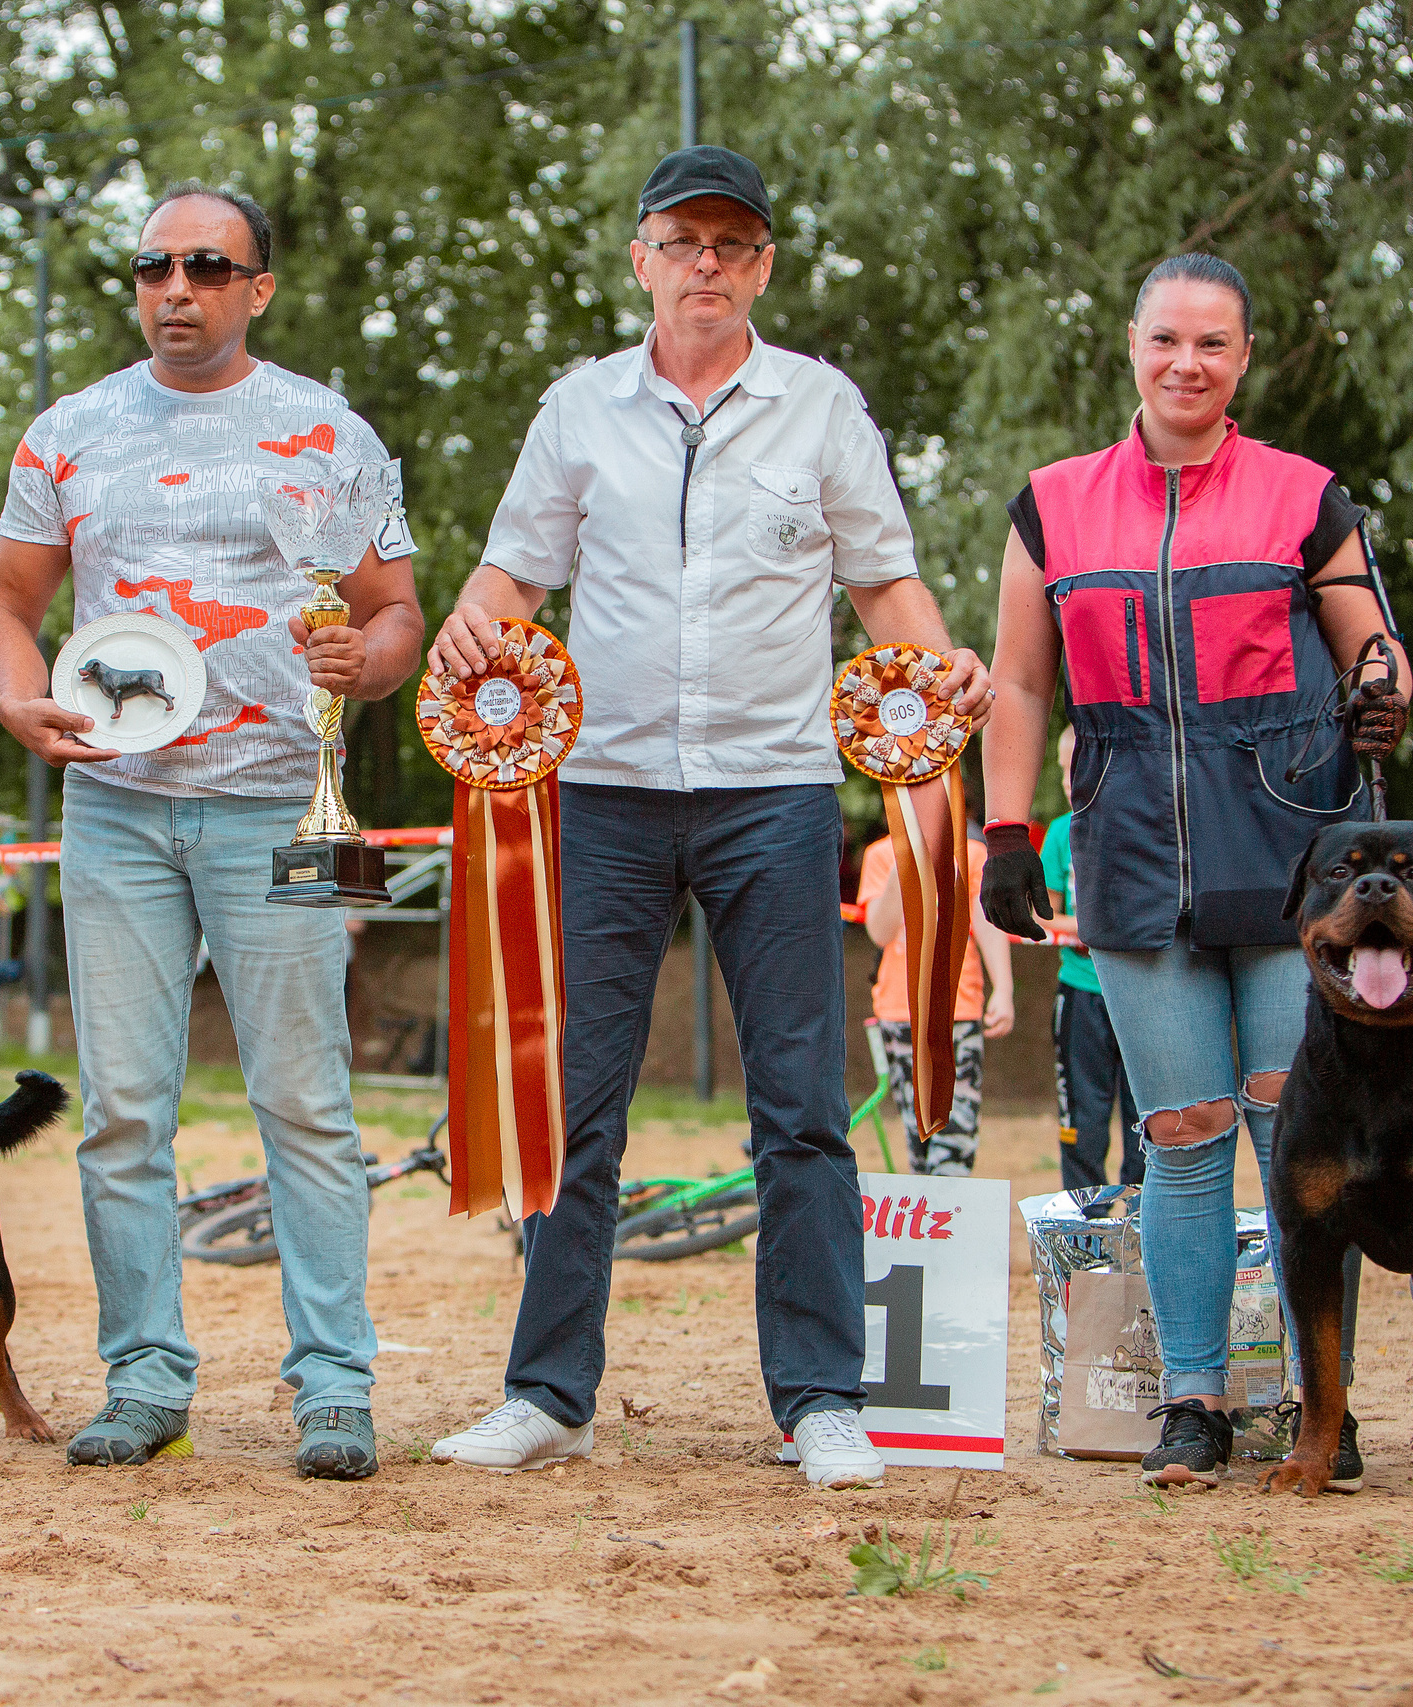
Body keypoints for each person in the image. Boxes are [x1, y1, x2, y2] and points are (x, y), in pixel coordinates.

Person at [424, 146, 991, 1492]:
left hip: (777, 793)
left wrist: (947, 671)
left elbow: (889, 588)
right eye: (683, 242)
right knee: (579, 1103)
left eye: (733, 246)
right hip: (604, 793)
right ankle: (547, 1390)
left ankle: (820, 1399)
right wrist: (463, 632)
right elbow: (514, 573)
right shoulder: (578, 408)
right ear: (641, 258)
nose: (707, 266)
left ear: (765, 267)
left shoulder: (823, 407)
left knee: (798, 1103)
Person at [0, 181, 421, 1483]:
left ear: (258, 287)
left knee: (306, 1102)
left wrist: (367, 657)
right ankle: (145, 1375)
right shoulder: (71, 431)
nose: (180, 287)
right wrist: (16, 694)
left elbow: (394, 612)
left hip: (282, 800)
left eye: (211, 267)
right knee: (121, 1110)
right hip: (115, 807)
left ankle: (335, 1384)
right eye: (155, 266)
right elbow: (7, 607)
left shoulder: (330, 434)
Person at [977, 253, 1411, 1491]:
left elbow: (1372, 641)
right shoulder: (1053, 504)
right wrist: (1008, 832)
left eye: (1213, 345)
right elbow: (1019, 680)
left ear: (1243, 360)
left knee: (1295, 1137)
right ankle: (1194, 1403)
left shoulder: (1305, 495)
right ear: (1131, 344)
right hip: (1127, 852)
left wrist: (1383, 695)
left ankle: (1323, 1408)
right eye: (1166, 339)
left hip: (1290, 858)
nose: (1187, 364)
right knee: (1178, 1137)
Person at [857, 826, 1011, 1176]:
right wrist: (903, 866)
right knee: (918, 1139)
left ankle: (951, 1220)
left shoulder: (971, 854)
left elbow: (987, 924)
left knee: (956, 1138)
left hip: (957, 1011)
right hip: (899, 1014)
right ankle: (928, 1224)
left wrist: (1004, 988)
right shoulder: (880, 855)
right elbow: (879, 932)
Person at [1041, 725, 1142, 1193]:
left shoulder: (1140, 829)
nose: (1067, 780)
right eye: (1062, 769)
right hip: (1081, 995)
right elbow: (1045, 919)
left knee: (1146, 1120)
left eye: (1076, 767)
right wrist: (1086, 931)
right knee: (1083, 1122)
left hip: (1141, 991)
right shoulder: (1060, 834)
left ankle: (1145, 1224)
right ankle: (1086, 1232)